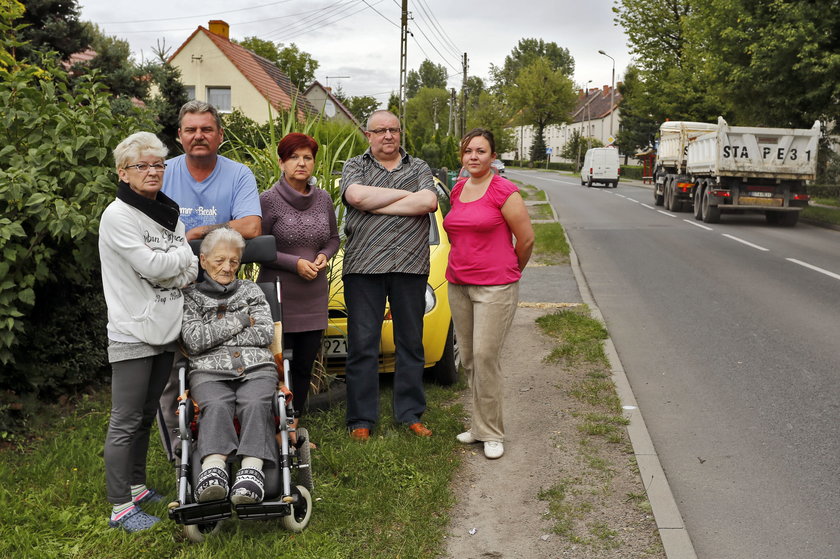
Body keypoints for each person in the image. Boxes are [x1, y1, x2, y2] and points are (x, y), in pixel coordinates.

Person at [99, 131, 199, 532]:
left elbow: (190, 267)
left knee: (144, 416)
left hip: (166, 327)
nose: (153, 171)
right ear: (124, 173)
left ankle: (136, 487)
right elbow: (157, 266)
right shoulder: (118, 215)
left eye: (158, 164)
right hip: (133, 331)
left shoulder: (167, 211)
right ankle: (120, 507)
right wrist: (177, 261)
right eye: (142, 165)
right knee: (125, 419)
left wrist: (174, 262)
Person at [158, 100, 262, 462]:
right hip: (171, 287)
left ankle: (229, 441)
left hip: (224, 289)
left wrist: (201, 232)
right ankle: (180, 453)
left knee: (226, 363)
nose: (198, 136)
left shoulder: (238, 174)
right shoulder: (163, 172)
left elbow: (251, 225)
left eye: (206, 129)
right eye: (191, 130)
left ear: (219, 135)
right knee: (171, 372)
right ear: (179, 136)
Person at [340, 110, 439, 440]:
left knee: (410, 343)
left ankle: (410, 414)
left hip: (410, 265)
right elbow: (355, 196)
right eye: (380, 130)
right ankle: (361, 420)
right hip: (363, 267)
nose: (387, 136)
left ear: (400, 133)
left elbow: (428, 202)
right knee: (363, 345)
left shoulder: (420, 167)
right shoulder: (356, 166)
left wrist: (375, 201)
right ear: (368, 135)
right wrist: (406, 198)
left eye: (393, 130)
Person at [181, 228, 290, 504]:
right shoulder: (190, 297)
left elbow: (265, 333)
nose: (227, 267)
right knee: (216, 404)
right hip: (209, 372)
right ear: (203, 261)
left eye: (233, 261)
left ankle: (251, 471)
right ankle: (214, 470)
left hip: (256, 368)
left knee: (255, 402)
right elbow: (194, 340)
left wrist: (214, 333)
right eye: (219, 260)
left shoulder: (252, 290)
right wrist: (241, 320)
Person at [443, 128, 534, 459]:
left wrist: (510, 271)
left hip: (496, 287)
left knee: (485, 356)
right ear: (462, 156)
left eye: (481, 151)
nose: (473, 157)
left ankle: (493, 433)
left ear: (493, 156)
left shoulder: (504, 192)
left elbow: (526, 240)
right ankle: (479, 426)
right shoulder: (457, 189)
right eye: (468, 151)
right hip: (459, 284)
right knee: (467, 358)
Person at [258, 133, 339, 443]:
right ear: (282, 162)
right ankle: (272, 428)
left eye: (307, 157)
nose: (302, 163)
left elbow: (333, 238)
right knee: (278, 365)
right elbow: (258, 246)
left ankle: (293, 428)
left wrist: (323, 256)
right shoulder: (267, 200)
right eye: (294, 157)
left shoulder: (323, 199)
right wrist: (295, 264)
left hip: (313, 294)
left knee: (304, 365)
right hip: (278, 295)